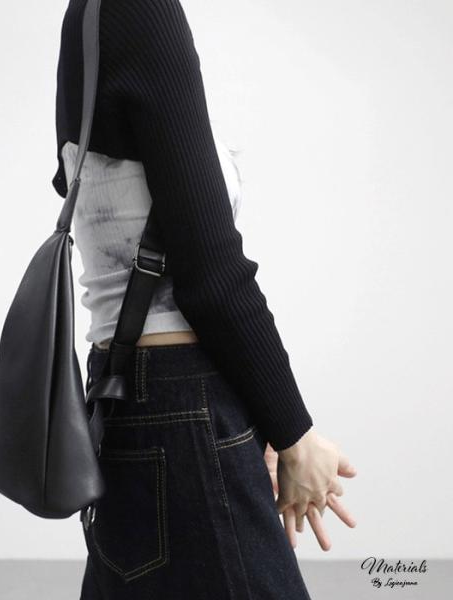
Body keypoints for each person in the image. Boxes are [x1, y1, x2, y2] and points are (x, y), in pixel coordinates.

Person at [52, 0, 357, 598]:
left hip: (125, 400)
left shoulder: (87, 17)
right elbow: (211, 273)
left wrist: (251, 426)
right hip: (181, 405)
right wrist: (294, 434)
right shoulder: (144, 11)